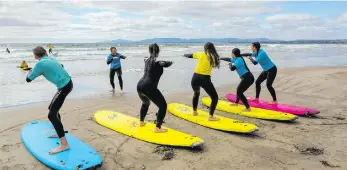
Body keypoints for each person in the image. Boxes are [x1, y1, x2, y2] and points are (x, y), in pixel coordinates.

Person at [26, 46, 73, 155]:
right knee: (52, 110)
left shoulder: (39, 64)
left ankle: (64, 144)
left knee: (51, 115)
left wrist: (31, 71)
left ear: (35, 56)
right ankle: (59, 132)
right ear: (46, 53)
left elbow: (28, 79)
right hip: (67, 83)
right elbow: (61, 66)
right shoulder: (51, 59)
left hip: (64, 87)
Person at [137, 43, 173, 133]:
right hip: (149, 87)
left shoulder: (147, 61)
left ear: (149, 51)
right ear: (158, 51)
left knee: (145, 103)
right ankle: (157, 128)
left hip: (140, 85)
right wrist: (169, 63)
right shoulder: (158, 62)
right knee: (163, 106)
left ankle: (141, 122)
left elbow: (147, 59)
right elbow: (165, 64)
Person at [183, 42, 220, 121]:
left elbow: (190, 55)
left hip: (195, 78)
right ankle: (210, 116)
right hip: (205, 79)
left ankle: (194, 111)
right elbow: (213, 66)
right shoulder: (214, 57)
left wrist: (184, 55)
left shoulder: (201, 54)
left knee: (196, 93)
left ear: (205, 48)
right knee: (215, 97)